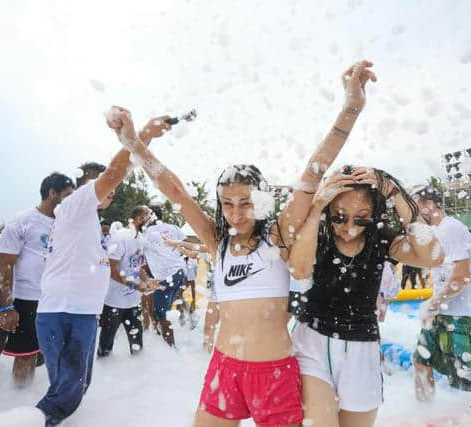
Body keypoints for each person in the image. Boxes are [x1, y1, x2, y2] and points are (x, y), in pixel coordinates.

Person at [111, 61, 378, 427]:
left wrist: (351, 108)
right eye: (227, 204)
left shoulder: (278, 236)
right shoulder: (217, 240)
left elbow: (315, 168)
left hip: (275, 374)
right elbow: (174, 189)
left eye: (246, 203)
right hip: (225, 368)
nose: (235, 214)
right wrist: (133, 144)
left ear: (262, 201)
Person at [33, 108, 171, 426]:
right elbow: (114, 171)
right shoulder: (77, 204)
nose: (112, 188)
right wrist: (143, 135)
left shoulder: (90, 222)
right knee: (64, 395)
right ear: (87, 186)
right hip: (65, 312)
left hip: (78, 312)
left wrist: (140, 282)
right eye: (104, 184)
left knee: (74, 388)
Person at [288, 167, 444, 427]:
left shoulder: (382, 241)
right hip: (311, 344)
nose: (349, 227)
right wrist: (317, 207)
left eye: (361, 219)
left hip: (363, 349)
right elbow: (299, 270)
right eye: (340, 217)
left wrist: (393, 191)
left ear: (374, 216)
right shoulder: (317, 234)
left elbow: (433, 256)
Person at [0, 173, 75, 386]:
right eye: (68, 195)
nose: (73, 200)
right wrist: (6, 307)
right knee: (26, 353)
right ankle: (18, 400)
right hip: (27, 298)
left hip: (57, 298)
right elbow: (6, 264)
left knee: (50, 351)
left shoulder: (67, 224)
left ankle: (36, 399)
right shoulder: (23, 220)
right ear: (52, 193)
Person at [411, 186, 471, 401]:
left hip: (463, 317)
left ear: (428, 204)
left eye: (415, 206)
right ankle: (423, 415)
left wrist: (432, 304)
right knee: (420, 361)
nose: (413, 213)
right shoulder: (436, 232)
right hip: (441, 313)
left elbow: (462, 277)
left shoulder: (451, 228)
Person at [98, 226, 161, 357]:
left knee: (137, 346)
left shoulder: (140, 240)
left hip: (133, 303)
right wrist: (136, 286)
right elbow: (112, 272)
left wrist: (148, 281)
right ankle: (105, 370)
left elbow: (139, 267)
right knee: (105, 348)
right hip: (113, 303)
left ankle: (136, 372)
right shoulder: (119, 240)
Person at [129, 205, 186, 347]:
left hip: (166, 277)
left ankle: (171, 348)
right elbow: (183, 247)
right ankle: (164, 341)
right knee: (159, 311)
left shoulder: (146, 234)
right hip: (179, 273)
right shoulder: (174, 227)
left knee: (160, 314)